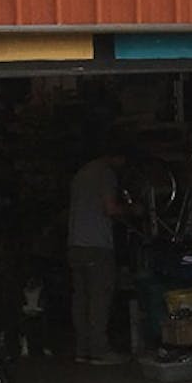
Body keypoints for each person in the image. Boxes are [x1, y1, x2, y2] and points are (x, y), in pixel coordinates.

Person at [68, 144, 131, 366]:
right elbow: (110, 208)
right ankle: (99, 350)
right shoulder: (105, 174)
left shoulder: (82, 172)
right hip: (97, 244)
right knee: (99, 299)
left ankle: (82, 349)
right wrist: (133, 210)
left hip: (75, 243)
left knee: (81, 299)